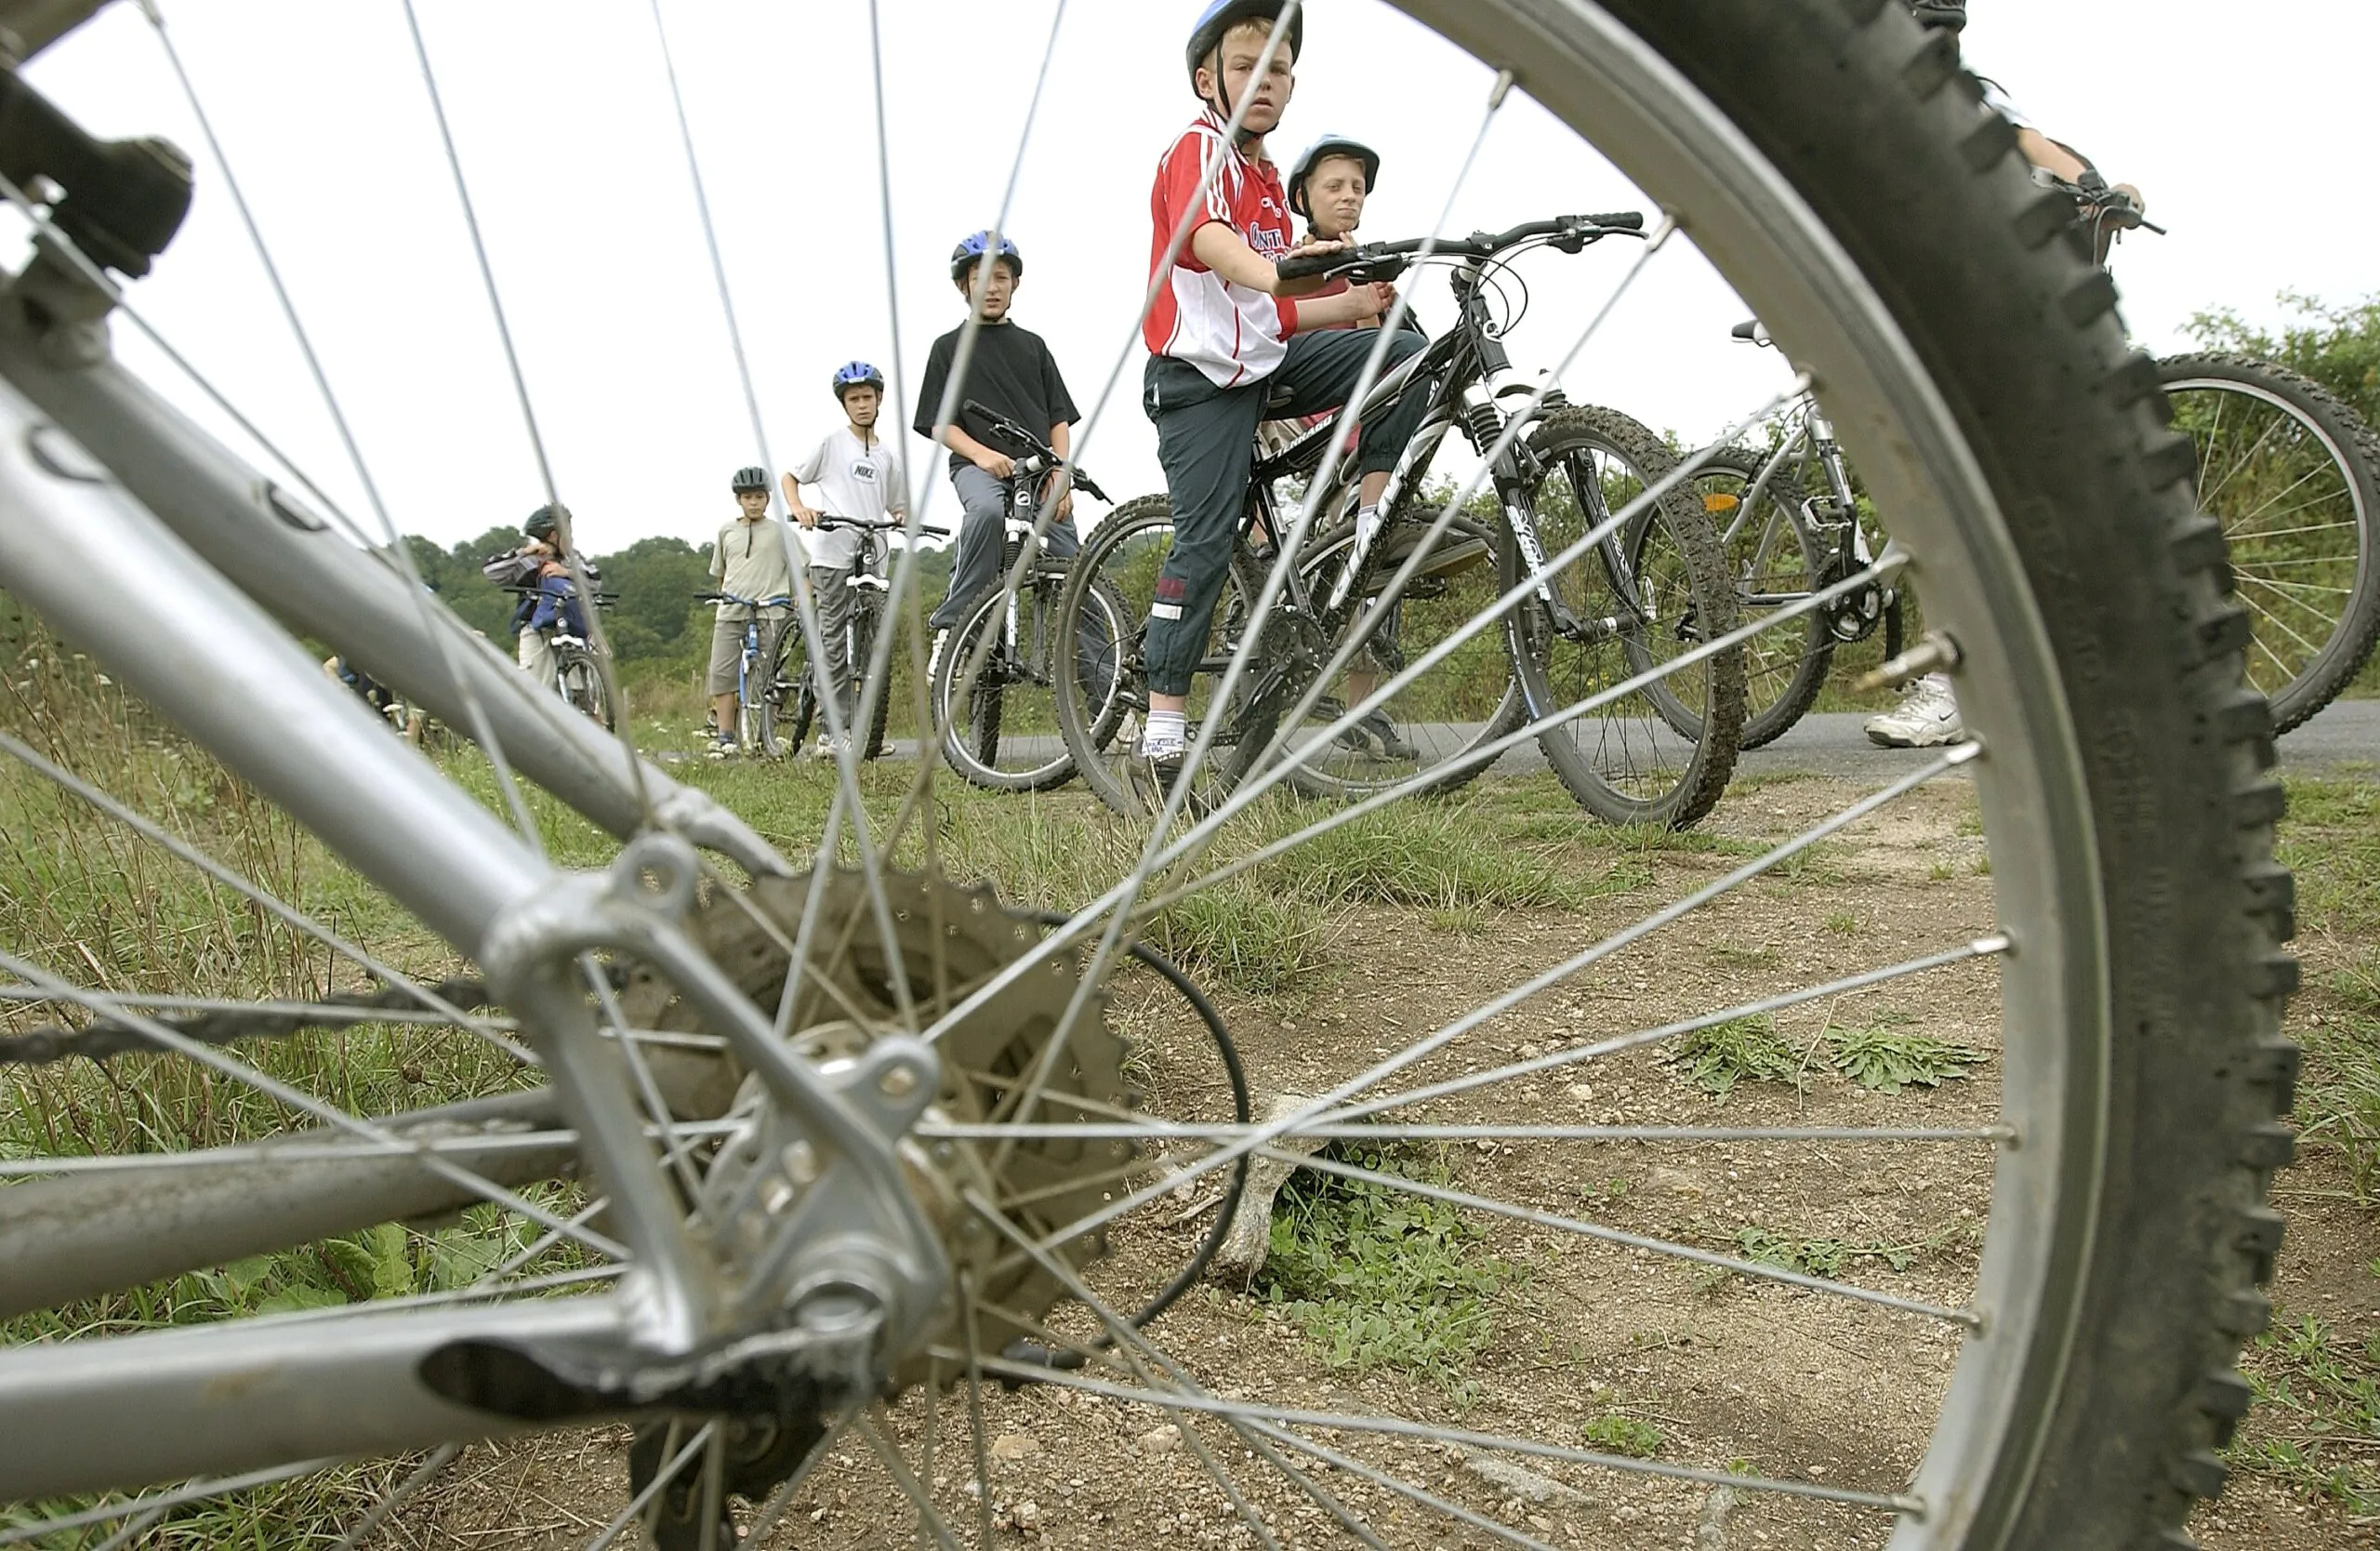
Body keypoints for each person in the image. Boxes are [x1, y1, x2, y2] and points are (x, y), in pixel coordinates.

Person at [1134, 0, 1431, 782]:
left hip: (1266, 363)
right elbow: (1208, 241)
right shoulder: (1195, 151)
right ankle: (1163, 718)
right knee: (1204, 537)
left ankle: (1374, 518)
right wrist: (1277, 267)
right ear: (1209, 79)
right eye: (1245, 66)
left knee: (1403, 352)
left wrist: (1352, 305)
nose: (1265, 80)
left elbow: (1280, 312)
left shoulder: (1269, 182)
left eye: (1280, 69)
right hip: (1196, 381)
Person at [1865, 0, 2147, 749]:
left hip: (1986, 301)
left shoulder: (1968, 87)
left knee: (1978, 492)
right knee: (1933, 488)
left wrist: (2099, 186)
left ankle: (1981, 675)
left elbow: (2036, 144)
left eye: (1943, 28)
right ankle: (1951, 673)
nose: (1935, 40)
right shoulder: (1859, 86)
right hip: (1914, 299)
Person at [914, 233, 1081, 661]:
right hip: (977, 466)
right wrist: (982, 454)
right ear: (963, 286)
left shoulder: (1034, 347)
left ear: (1015, 284)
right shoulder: (947, 349)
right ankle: (957, 621)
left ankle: (1109, 696)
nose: (992, 287)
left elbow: (1058, 419)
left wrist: (1061, 475)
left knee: (1079, 574)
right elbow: (939, 423)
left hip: (1039, 472)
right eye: (981, 278)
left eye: (1001, 278)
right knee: (987, 513)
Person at [786, 363, 907, 756]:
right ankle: (830, 733)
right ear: (844, 404)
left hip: (873, 560)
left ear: (879, 400)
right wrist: (799, 507)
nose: (861, 405)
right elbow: (792, 477)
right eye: (853, 399)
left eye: (867, 397)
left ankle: (863, 731)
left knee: (872, 650)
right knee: (835, 647)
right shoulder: (832, 443)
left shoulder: (887, 454)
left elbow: (897, 503)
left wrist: (904, 517)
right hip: (833, 556)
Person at [707, 467, 797, 759]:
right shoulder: (726, 532)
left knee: (773, 676)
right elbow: (721, 574)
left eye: (759, 496)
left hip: (771, 610)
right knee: (722, 674)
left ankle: (766, 734)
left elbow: (801, 569)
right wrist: (727, 597)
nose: (754, 502)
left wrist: (802, 598)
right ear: (738, 500)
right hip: (732, 610)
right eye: (748, 497)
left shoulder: (780, 532)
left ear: (768, 498)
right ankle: (725, 736)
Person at [487, 504, 584, 695]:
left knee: (584, 691)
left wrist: (568, 572)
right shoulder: (528, 561)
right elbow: (491, 572)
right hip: (535, 627)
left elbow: (595, 579)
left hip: (571, 623)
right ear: (553, 535)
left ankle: (597, 721)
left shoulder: (573, 560)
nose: (571, 538)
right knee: (532, 691)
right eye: (568, 532)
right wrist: (525, 552)